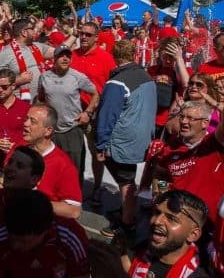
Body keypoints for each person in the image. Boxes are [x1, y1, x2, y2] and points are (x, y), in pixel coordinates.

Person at [96, 40, 157, 237]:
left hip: (122, 140)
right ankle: (128, 210)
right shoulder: (146, 75)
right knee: (127, 179)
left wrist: (100, 145)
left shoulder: (117, 82)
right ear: (134, 56)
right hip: (141, 136)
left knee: (125, 181)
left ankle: (127, 221)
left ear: (114, 56)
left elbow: (107, 116)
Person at [0, 189, 90, 278]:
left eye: (23, 241)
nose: (15, 245)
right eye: (12, 238)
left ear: (45, 230)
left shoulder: (69, 236)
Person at [151, 100, 224, 225]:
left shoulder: (213, 144)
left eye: (190, 118)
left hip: (207, 222)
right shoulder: (170, 148)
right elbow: (159, 174)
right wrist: (160, 193)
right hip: (175, 218)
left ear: (204, 123)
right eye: (182, 117)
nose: (184, 122)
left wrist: (219, 106)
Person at [70, 21, 117, 205]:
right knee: (74, 152)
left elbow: (112, 87)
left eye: (88, 35)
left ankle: (97, 187)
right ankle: (74, 187)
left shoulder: (105, 58)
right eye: (81, 33)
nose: (83, 37)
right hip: (72, 112)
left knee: (97, 152)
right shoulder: (72, 55)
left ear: (96, 37)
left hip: (95, 114)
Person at [38, 44, 99, 182]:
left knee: (75, 170)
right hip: (51, 130)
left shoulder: (77, 77)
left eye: (68, 56)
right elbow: (41, 98)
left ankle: (75, 200)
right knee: (51, 168)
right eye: (61, 56)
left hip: (72, 129)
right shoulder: (44, 77)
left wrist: (87, 113)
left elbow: (95, 94)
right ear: (54, 58)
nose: (65, 59)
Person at [125, 190, 209, 278]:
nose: (157, 221)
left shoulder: (198, 274)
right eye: (157, 213)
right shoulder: (133, 258)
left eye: (171, 219)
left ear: (193, 234)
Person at [0, 17, 74, 101]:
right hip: (20, 102)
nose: (34, 31)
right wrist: (18, 80)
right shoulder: (5, 53)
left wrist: (74, 35)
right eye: (31, 29)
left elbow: (60, 50)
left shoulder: (37, 46)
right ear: (24, 32)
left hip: (42, 100)